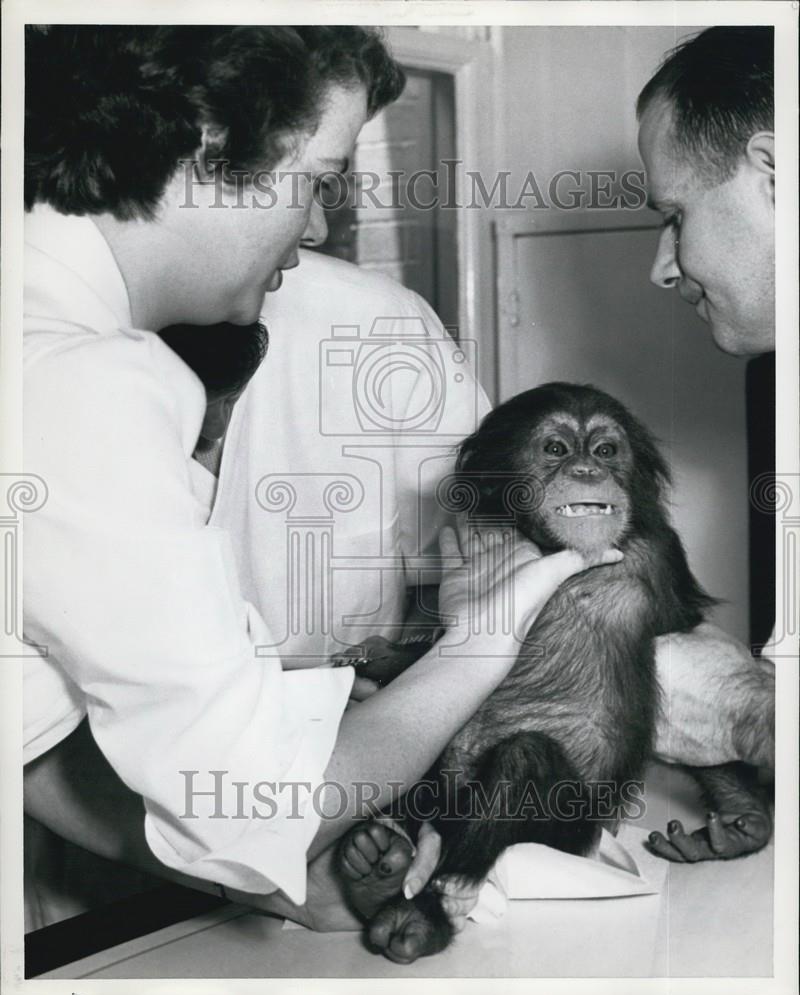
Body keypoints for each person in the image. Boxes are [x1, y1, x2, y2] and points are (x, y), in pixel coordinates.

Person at [23, 25, 617, 935]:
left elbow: (33, 728)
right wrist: (487, 636)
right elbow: (257, 808)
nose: (314, 226)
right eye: (314, 181)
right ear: (203, 153)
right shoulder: (78, 381)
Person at [636, 26, 777, 862]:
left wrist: (745, 716)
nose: (662, 267)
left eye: (674, 215)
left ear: (774, 172)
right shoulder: (774, 380)